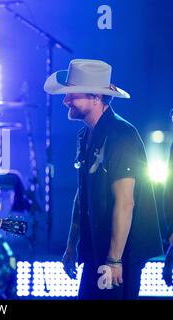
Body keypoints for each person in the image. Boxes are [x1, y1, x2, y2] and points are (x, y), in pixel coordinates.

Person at [44, 59, 163, 299]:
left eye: (72, 95)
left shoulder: (121, 135)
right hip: (96, 249)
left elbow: (125, 202)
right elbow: (82, 196)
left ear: (97, 97)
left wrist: (114, 260)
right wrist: (71, 246)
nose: (65, 100)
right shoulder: (85, 134)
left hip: (119, 254)